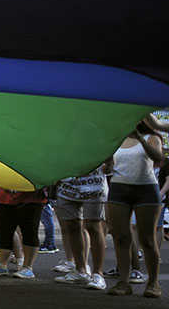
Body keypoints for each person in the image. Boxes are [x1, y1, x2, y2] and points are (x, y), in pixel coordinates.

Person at [104, 119, 163, 298]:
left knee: (147, 239)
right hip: (119, 189)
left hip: (146, 190)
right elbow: (108, 163)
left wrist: (140, 138)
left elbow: (158, 158)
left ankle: (153, 283)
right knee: (121, 237)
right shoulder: (116, 139)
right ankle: (123, 282)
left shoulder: (152, 137)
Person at [53, 165, 107, 290]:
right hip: (66, 183)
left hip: (93, 182)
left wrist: (109, 164)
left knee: (93, 226)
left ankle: (98, 274)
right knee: (71, 226)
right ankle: (80, 270)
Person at [0, 185, 46, 279]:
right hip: (4, 197)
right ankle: (1, 264)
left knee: (29, 231)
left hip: (31, 197)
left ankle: (27, 267)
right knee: (4, 231)